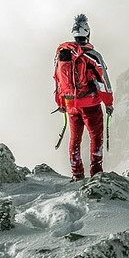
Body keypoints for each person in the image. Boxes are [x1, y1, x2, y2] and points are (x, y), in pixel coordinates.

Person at [53, 14, 114, 181]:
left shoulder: (62, 54)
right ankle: (96, 172)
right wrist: (109, 104)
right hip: (90, 105)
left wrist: (61, 102)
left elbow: (57, 79)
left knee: (75, 138)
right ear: (87, 33)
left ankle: (77, 174)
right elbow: (103, 82)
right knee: (96, 137)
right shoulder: (92, 55)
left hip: (70, 103)